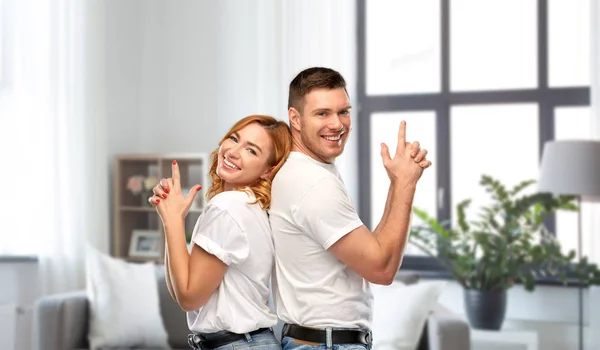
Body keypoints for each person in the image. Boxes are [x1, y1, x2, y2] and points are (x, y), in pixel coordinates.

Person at [268, 67, 432, 350]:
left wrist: (396, 183)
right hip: (325, 344)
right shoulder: (313, 184)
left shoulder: (310, 171)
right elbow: (382, 269)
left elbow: (372, 249)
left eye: (343, 111)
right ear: (295, 118)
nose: (337, 124)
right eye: (322, 114)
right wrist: (406, 184)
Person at [149, 115, 292, 350]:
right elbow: (181, 290)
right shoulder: (250, 205)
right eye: (234, 138)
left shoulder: (228, 206)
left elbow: (189, 297)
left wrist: (174, 221)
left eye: (252, 151)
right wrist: (171, 220)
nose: (233, 151)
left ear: (269, 170)